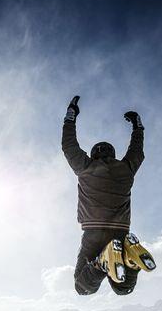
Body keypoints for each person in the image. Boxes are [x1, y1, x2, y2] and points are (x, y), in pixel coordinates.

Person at [62, 95, 156, 296]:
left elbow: (68, 146)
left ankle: (100, 263)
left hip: (93, 232)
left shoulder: (85, 167)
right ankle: (130, 261)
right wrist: (137, 127)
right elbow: (137, 151)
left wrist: (71, 116)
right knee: (123, 288)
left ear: (93, 154)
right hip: (120, 233)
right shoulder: (126, 169)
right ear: (112, 154)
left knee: (82, 286)